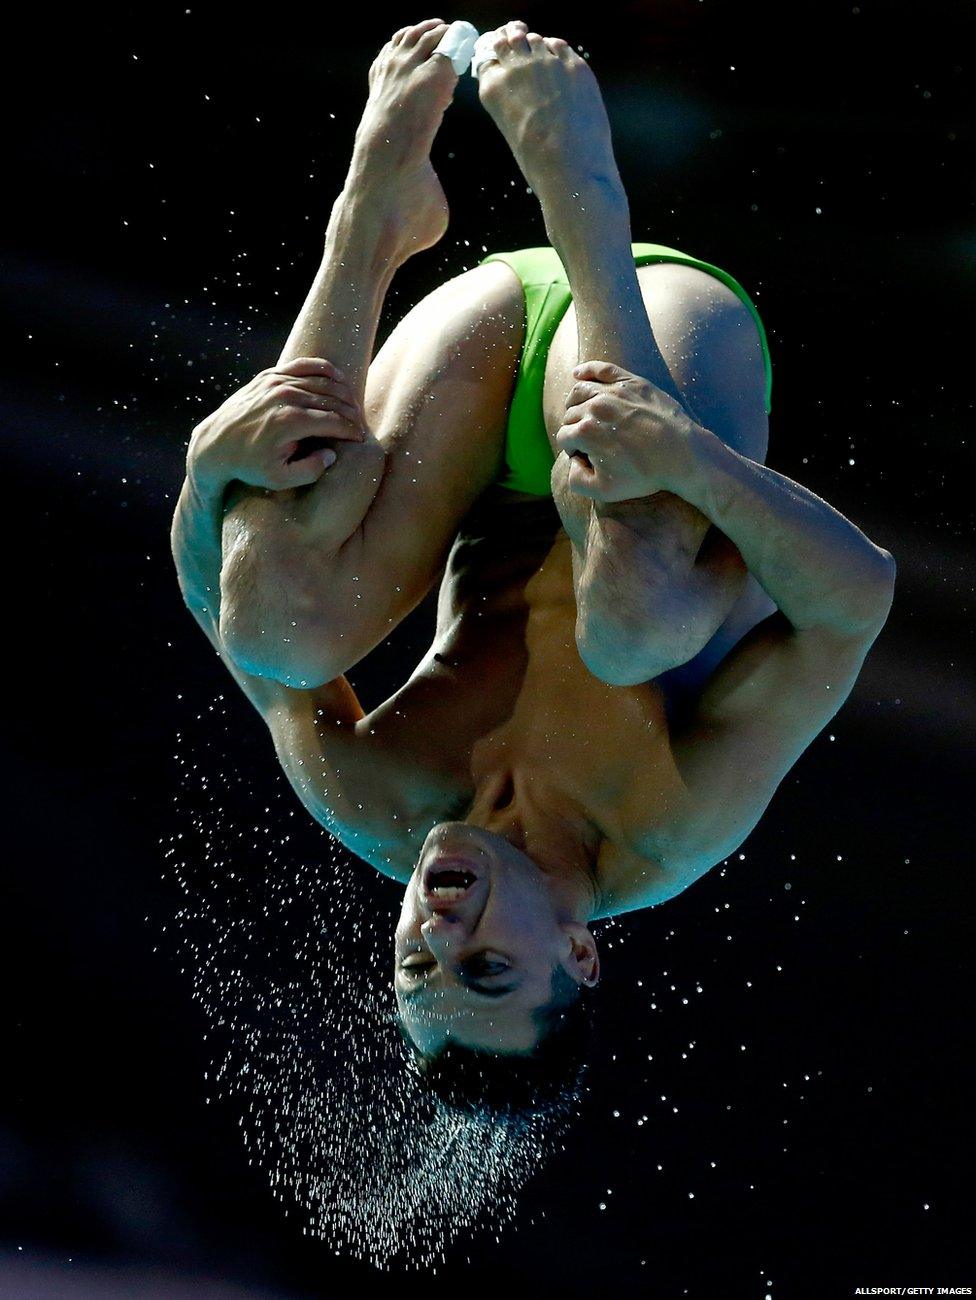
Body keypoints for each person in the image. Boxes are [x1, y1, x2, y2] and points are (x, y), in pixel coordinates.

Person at [171, 21, 895, 1085]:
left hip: (477, 367)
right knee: (635, 624)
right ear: (579, 954)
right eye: (489, 968)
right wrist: (696, 465)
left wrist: (202, 466)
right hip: (650, 336)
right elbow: (854, 602)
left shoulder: (368, 796)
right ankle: (581, 188)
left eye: (417, 963)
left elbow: (220, 604)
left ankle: (370, 221)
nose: (441, 926)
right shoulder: (670, 821)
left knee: (280, 627)